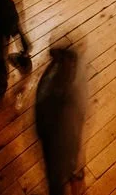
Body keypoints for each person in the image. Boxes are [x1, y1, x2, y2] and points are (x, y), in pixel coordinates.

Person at [35, 36, 87, 195]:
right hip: (55, 142)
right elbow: (42, 123)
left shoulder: (71, 79)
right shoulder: (49, 89)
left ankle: (72, 169)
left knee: (70, 157)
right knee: (56, 177)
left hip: (68, 134)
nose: (72, 65)